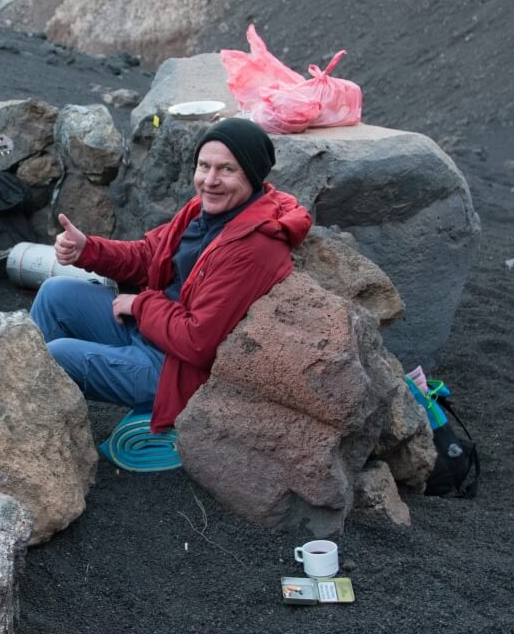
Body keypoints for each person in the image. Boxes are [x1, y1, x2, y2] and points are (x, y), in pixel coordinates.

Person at [31, 118, 313, 439]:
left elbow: (197, 342)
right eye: (204, 166)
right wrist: (88, 249)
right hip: (152, 331)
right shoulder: (203, 211)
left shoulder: (253, 246)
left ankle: (33, 433)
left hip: (174, 371)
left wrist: (140, 305)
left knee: (57, 355)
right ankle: (36, 415)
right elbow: (149, 255)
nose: (210, 180)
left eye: (227, 170)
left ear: (252, 173)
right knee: (55, 294)